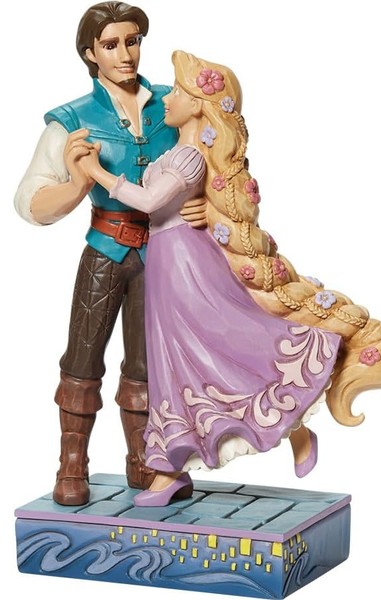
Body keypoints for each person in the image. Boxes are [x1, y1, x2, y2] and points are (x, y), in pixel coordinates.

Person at [80, 50, 348, 507]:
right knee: (172, 361)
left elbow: (149, 202)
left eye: (178, 91)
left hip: (185, 261)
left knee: (218, 343)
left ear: (197, 105)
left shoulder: (188, 158)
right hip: (163, 260)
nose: (168, 97)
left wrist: (96, 172)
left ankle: (293, 421)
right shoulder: (177, 151)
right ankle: (171, 466)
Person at [13, 3, 206, 506]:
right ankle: (71, 463)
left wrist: (205, 204)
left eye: (132, 41)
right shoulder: (74, 119)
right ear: (90, 53)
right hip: (106, 249)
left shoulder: (172, 105)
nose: (125, 53)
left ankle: (144, 459)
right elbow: (30, 202)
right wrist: (78, 183)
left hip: (164, 253)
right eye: (111, 44)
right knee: (82, 357)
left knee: (147, 363)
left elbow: (216, 162)